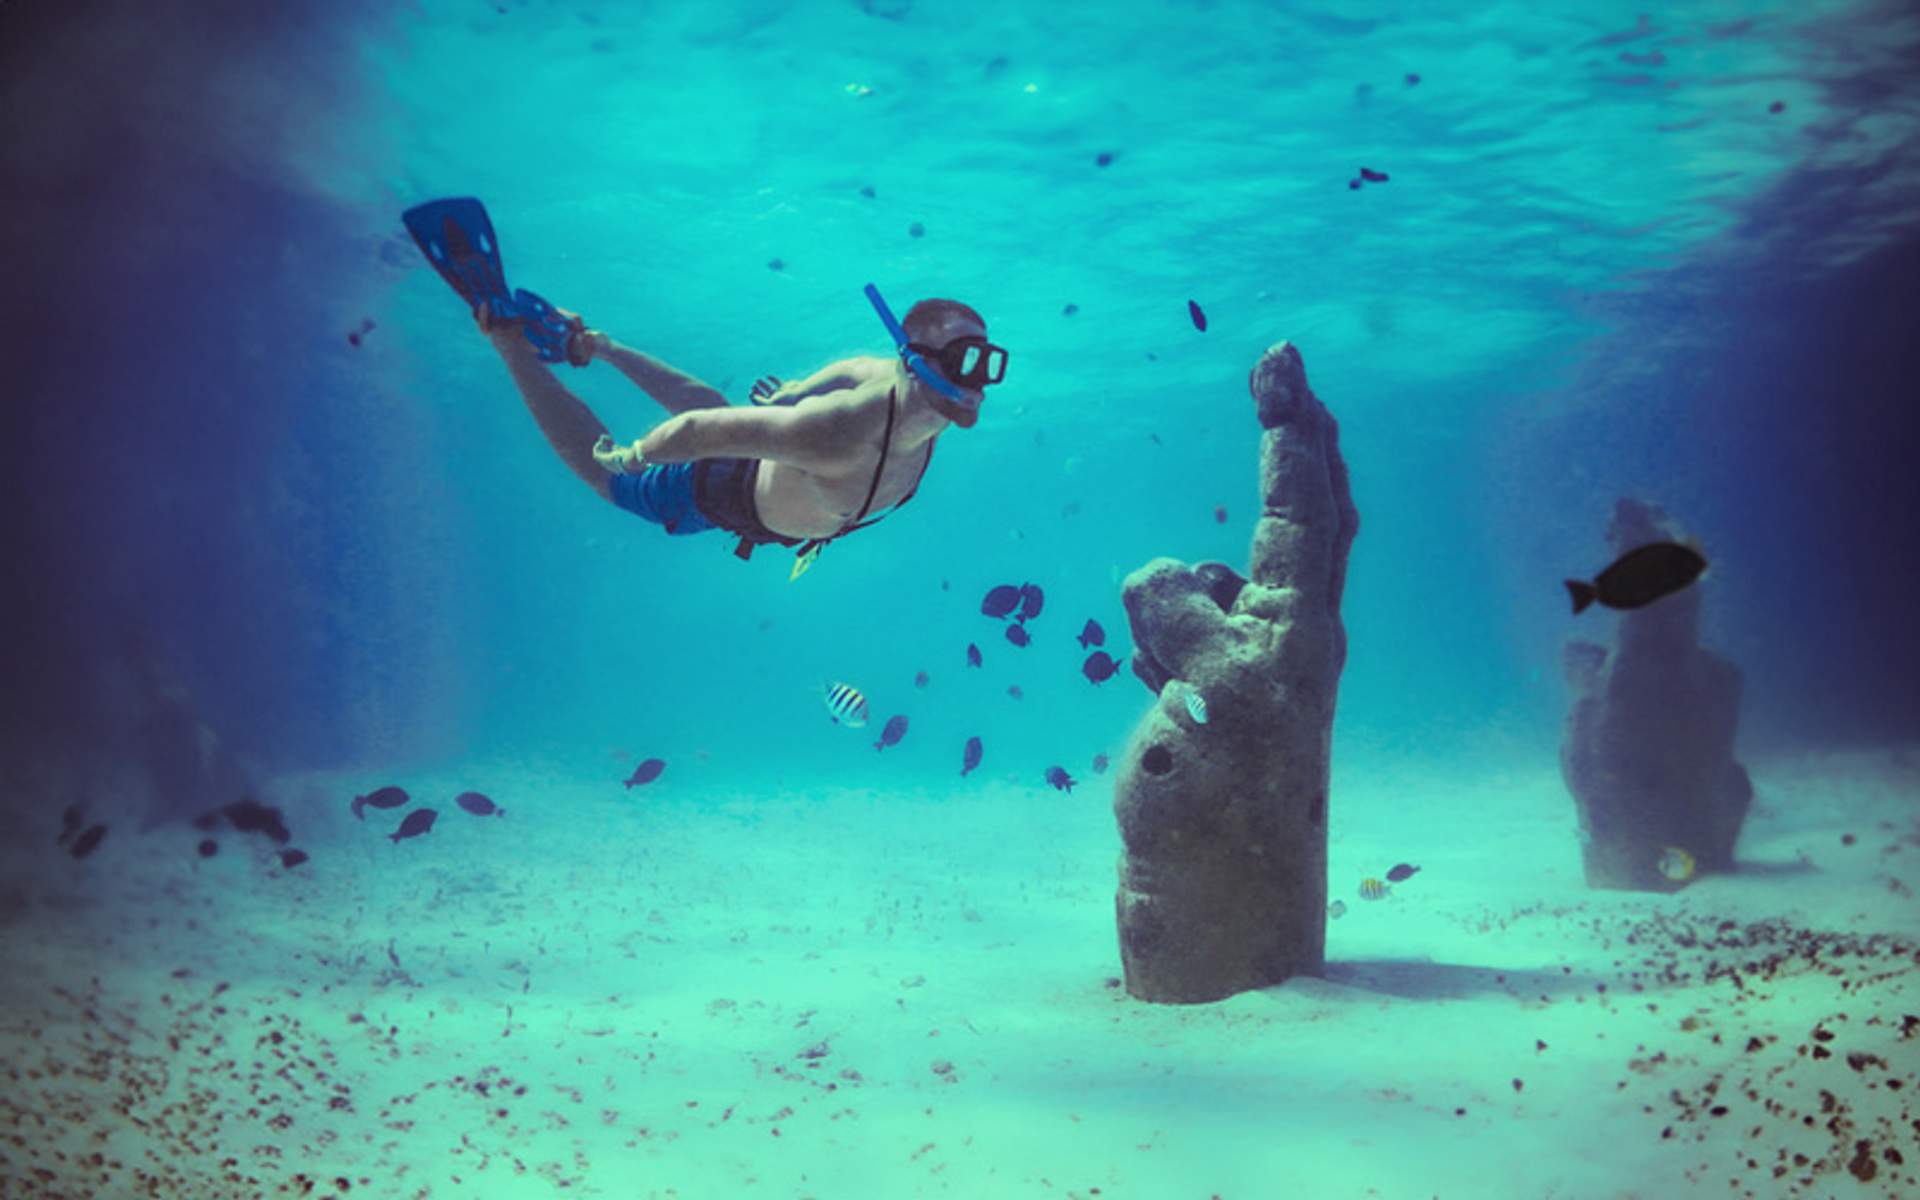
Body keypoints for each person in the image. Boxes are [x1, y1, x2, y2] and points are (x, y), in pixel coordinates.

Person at [480, 287, 1008, 577]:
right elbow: (695, 431)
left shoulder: (897, 386)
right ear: (916, 363)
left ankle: (599, 345)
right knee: (607, 481)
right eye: (966, 361)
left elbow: (846, 370)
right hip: (708, 497)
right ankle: (508, 343)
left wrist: (792, 394)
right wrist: (630, 456)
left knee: (728, 419)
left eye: (988, 362)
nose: (979, 383)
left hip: (762, 477)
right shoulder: (842, 433)